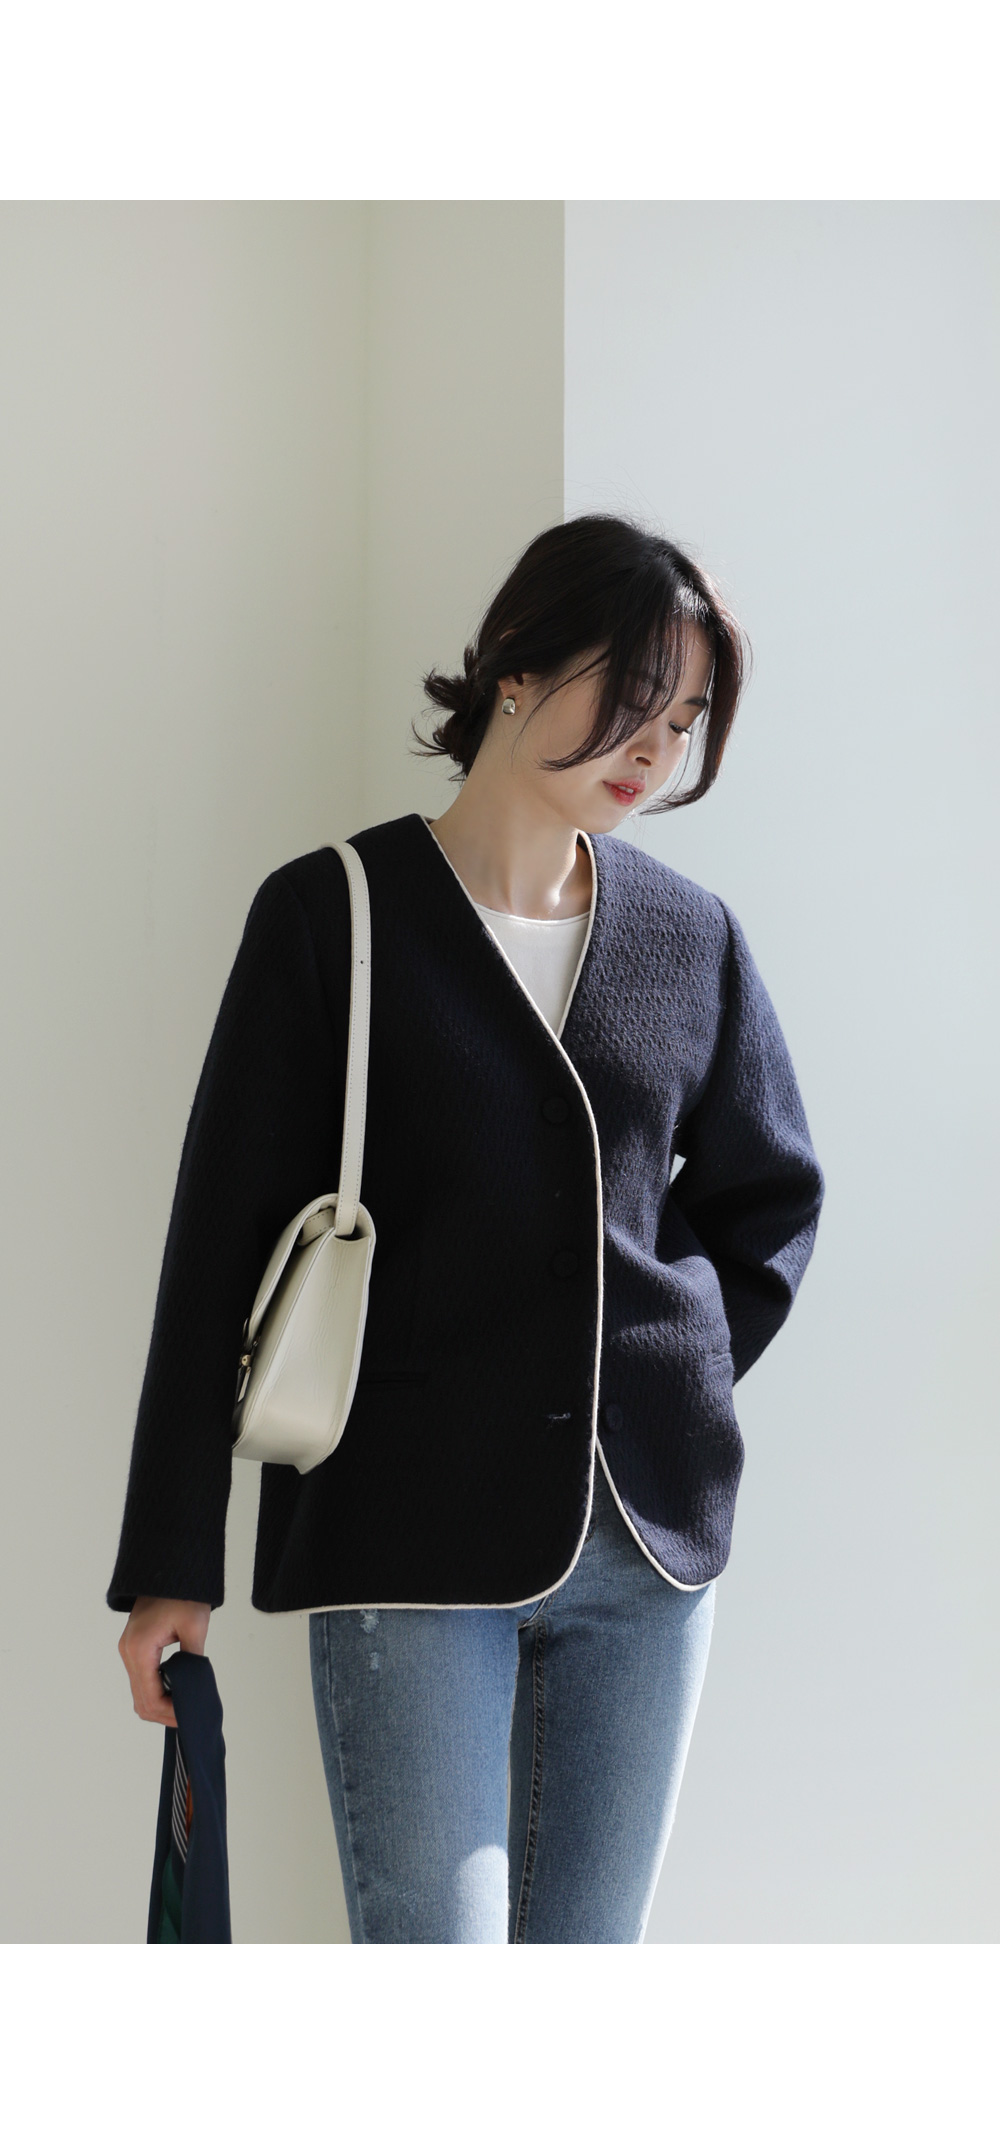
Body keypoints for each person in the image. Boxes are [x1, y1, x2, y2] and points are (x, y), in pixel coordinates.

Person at [111, 511, 824, 1943]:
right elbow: (219, 1243)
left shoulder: (691, 938)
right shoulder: (333, 916)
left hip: (645, 1553)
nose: (654, 749)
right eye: (637, 697)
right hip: (402, 1540)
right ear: (517, 666)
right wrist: (172, 1559)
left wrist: (662, 1377)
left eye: (685, 722)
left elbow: (770, 1201)